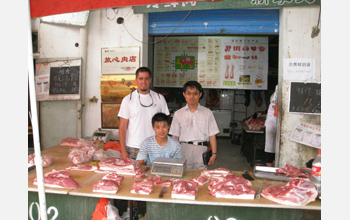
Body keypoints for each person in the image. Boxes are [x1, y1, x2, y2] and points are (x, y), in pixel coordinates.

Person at [118, 67, 170, 159]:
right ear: (136, 80)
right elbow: (122, 127)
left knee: (156, 173)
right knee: (135, 173)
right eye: (141, 78)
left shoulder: (159, 98)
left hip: (156, 147)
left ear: (150, 80)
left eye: (146, 78)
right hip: (134, 147)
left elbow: (166, 124)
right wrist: (123, 150)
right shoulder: (128, 100)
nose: (144, 82)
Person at [169, 81, 220, 170]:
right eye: (189, 93)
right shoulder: (178, 114)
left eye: (195, 93)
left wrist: (214, 154)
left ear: (200, 95)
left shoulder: (207, 113)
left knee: (201, 177)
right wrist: (174, 154)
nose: (192, 96)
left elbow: (212, 135)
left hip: (201, 149)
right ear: (184, 94)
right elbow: (175, 136)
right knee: (184, 176)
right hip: (184, 148)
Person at [265, 85, 278, 167]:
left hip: (275, 126)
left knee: (273, 149)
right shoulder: (274, 103)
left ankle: (273, 169)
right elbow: (276, 110)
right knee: (270, 149)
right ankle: (270, 170)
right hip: (271, 126)